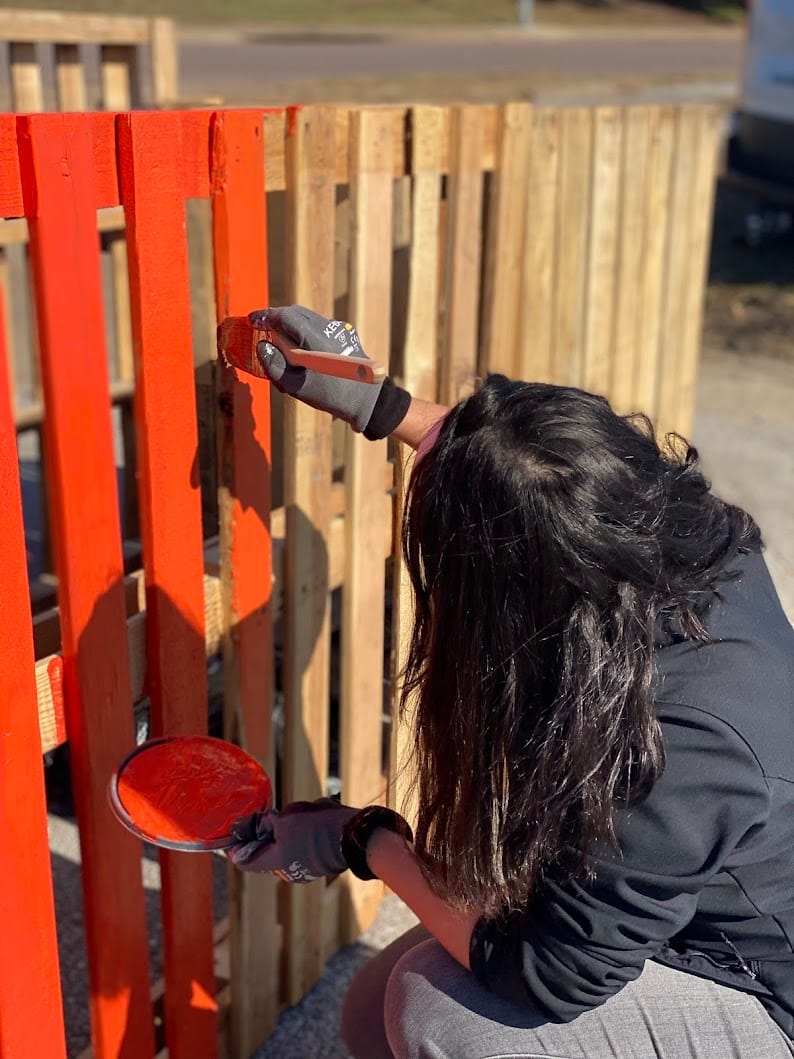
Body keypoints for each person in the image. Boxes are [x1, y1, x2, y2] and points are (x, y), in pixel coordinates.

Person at [228, 305, 794, 1059]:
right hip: (695, 904)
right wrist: (383, 406)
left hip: (769, 994)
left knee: (439, 1016)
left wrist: (365, 838)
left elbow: (549, 976)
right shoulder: (681, 538)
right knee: (371, 1013)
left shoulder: (688, 741)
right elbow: (545, 478)